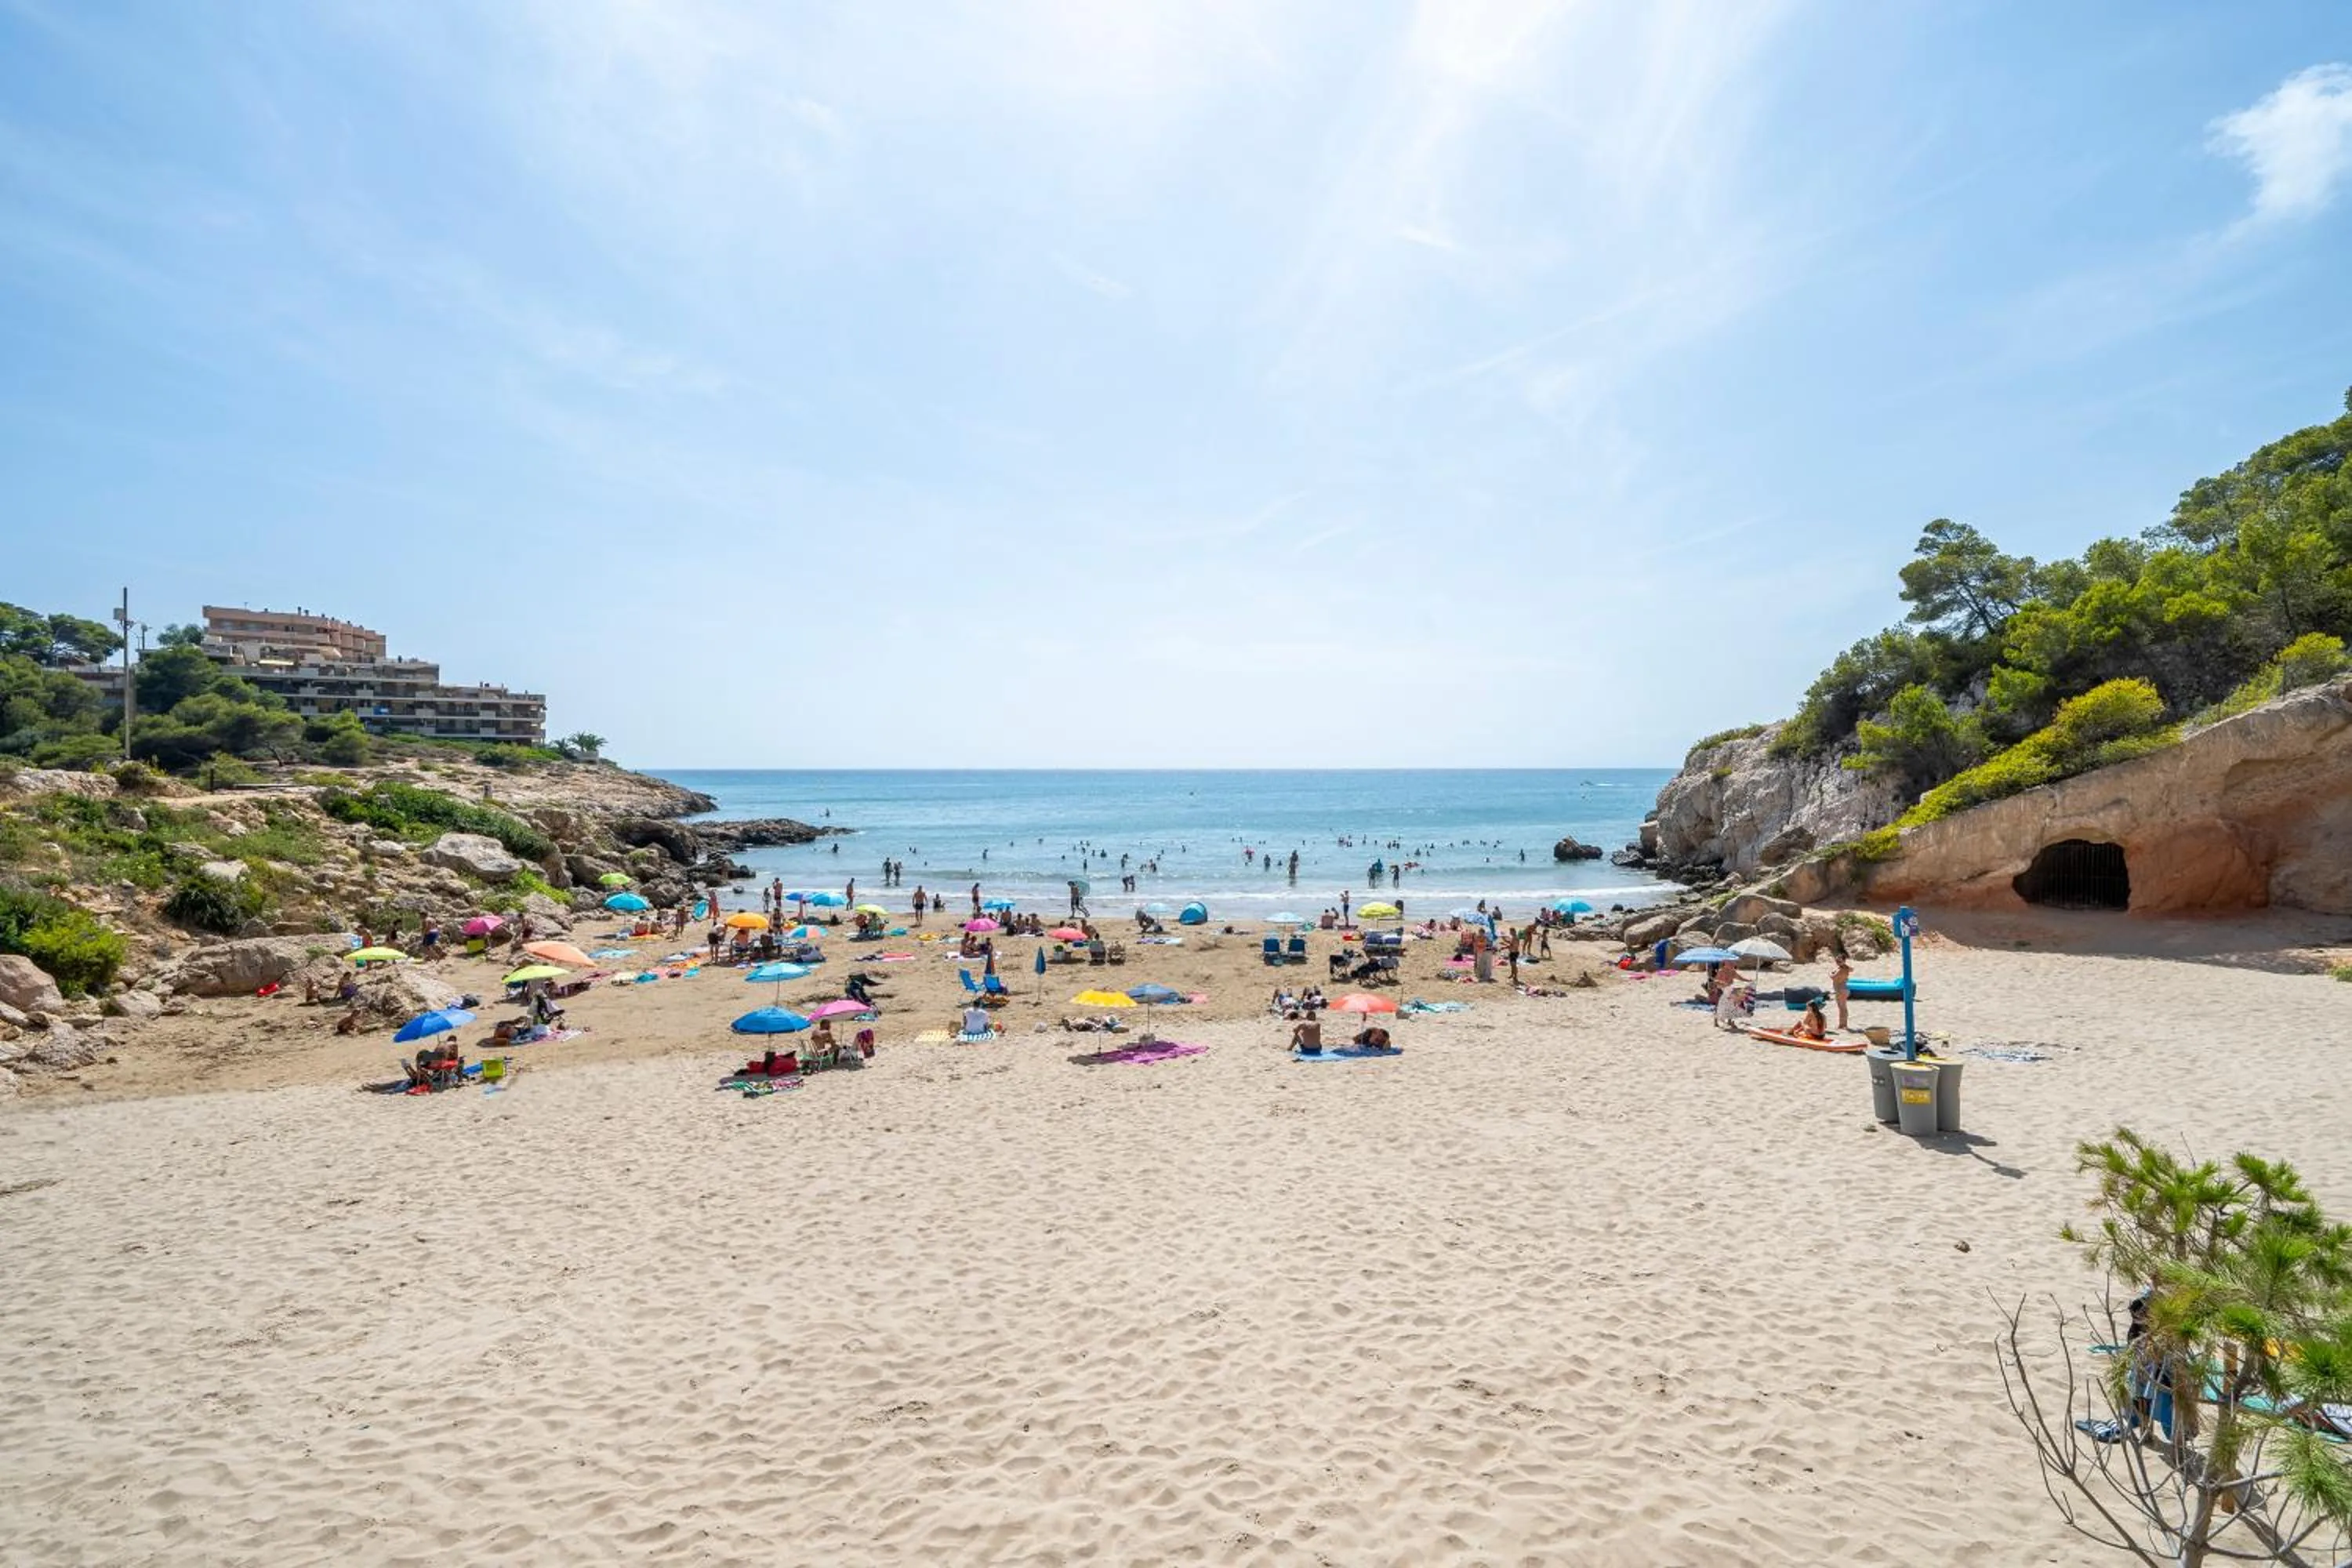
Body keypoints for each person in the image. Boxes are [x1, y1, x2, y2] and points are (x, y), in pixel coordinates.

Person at [1830, 949, 1853, 1032]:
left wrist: (1830, 973)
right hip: (1844, 989)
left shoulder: (1840, 969)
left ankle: (1842, 1025)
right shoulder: (1845, 968)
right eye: (1837, 961)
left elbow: (1833, 977)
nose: (1837, 963)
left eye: (1839, 961)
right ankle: (1843, 1024)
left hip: (1840, 990)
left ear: (1843, 961)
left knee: (1842, 1008)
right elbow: (1851, 969)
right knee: (1843, 1007)